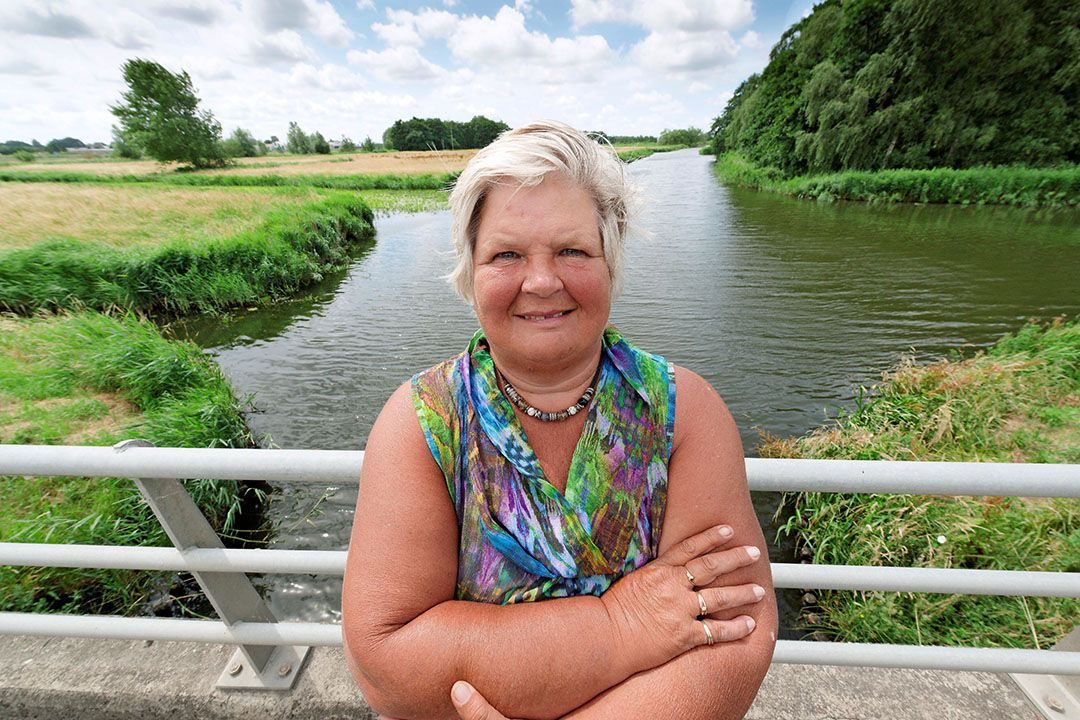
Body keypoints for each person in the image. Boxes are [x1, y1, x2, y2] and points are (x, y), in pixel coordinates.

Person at [342, 120, 777, 720]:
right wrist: (623, 624)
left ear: (610, 263)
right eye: (507, 254)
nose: (542, 281)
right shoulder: (423, 424)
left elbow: (733, 630)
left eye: (572, 250)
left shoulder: (683, 414)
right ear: (471, 273)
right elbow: (389, 663)